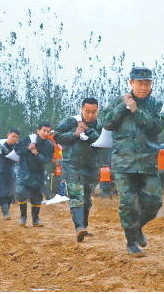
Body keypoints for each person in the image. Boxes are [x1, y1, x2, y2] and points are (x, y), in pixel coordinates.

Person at [103, 67, 164, 257]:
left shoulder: (156, 105)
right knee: (128, 203)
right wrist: (123, 107)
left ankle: (138, 227)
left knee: (154, 202)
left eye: (147, 83)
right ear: (131, 83)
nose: (144, 87)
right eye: (140, 83)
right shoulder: (118, 102)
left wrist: (136, 111)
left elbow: (157, 126)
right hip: (123, 163)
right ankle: (131, 242)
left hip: (148, 162)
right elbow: (106, 123)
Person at [54, 98, 102, 242]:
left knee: (86, 199)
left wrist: (89, 130)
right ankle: (79, 227)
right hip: (71, 165)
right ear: (81, 109)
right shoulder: (71, 121)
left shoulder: (100, 124)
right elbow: (56, 136)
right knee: (76, 196)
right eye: (87, 111)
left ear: (97, 110)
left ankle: (83, 227)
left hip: (91, 166)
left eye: (93, 112)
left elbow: (101, 142)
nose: (90, 115)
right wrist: (74, 134)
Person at [15, 124, 53, 227]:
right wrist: (28, 147)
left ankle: (35, 219)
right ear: (38, 130)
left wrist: (37, 154)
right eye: (44, 130)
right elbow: (17, 150)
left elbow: (47, 160)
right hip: (24, 172)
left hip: (38, 174)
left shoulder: (49, 145)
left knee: (36, 197)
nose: (46, 133)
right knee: (20, 192)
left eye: (48, 131)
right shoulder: (27, 139)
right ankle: (23, 217)